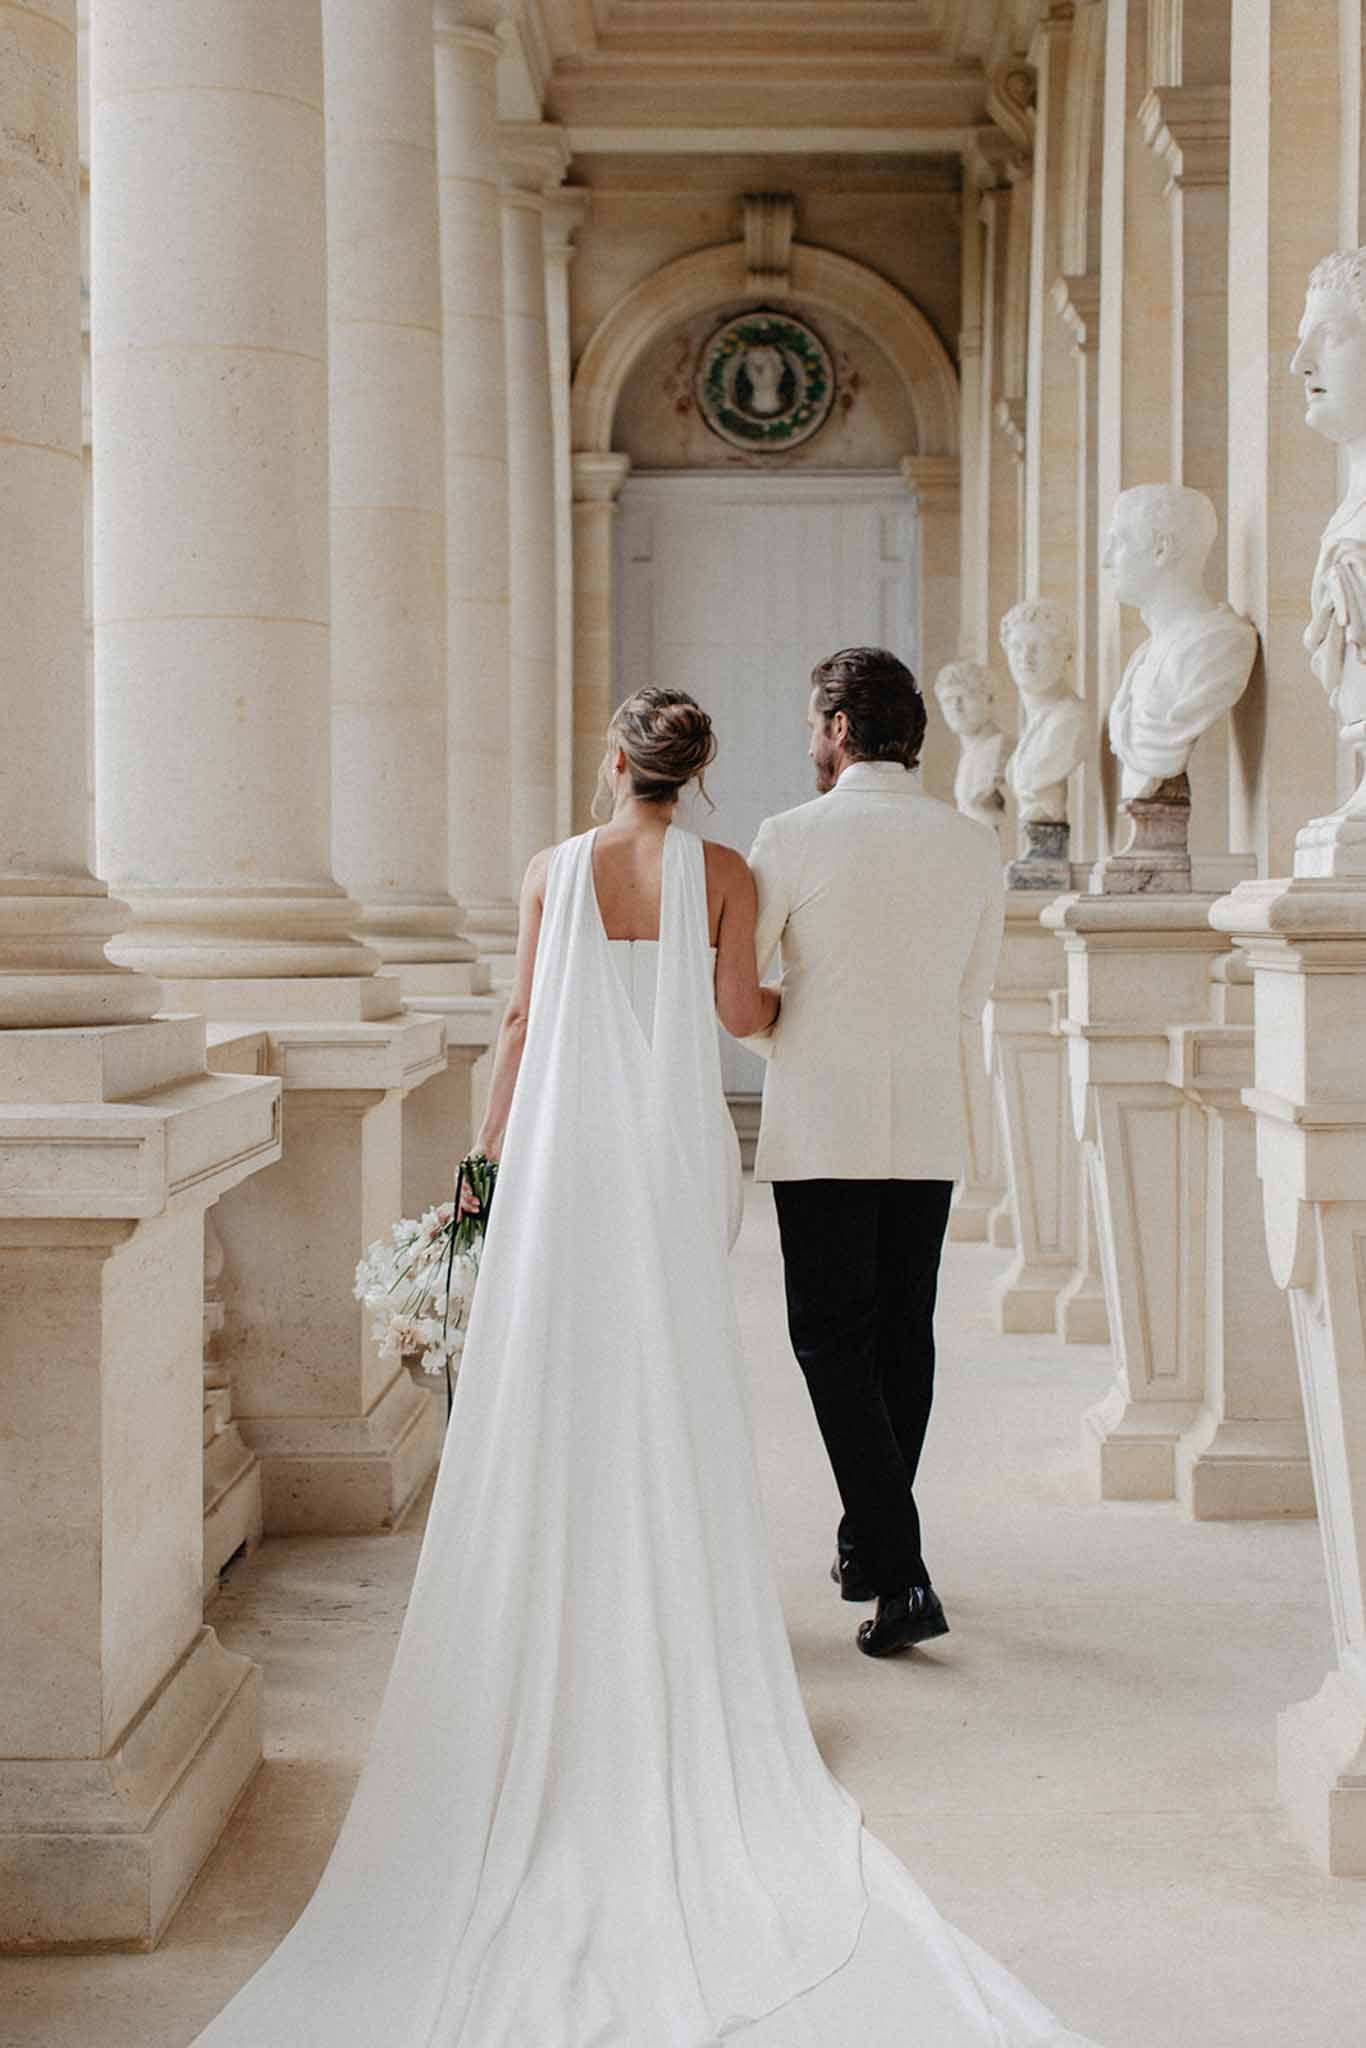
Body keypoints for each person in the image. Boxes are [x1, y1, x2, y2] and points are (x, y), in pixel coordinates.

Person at [190, 687, 1091, 2048]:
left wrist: (487, 1156)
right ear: (697, 770)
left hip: (565, 1153)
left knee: (565, 1371)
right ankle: (683, 1598)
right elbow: (742, 1010)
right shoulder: (725, 871)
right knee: (671, 1373)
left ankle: (569, 1593)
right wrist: (805, 998)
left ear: (614, 762)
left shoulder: (549, 870)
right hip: (672, 1155)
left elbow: (517, 1024)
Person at [747, 647, 1005, 1659]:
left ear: (841, 726)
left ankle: (900, 1574)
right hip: (929, 1115)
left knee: (830, 1341)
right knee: (903, 1332)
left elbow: (744, 989)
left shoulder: (790, 834)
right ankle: (868, 1544)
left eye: (813, 721)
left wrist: (794, 1038)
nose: (808, 739)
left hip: (821, 1120)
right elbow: (970, 998)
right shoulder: (971, 842)